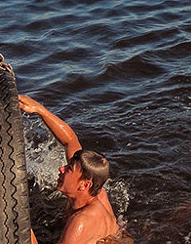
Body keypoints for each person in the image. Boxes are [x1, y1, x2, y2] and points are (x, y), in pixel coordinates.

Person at [18, 94, 122, 244]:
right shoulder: (91, 190)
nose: (61, 168)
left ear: (84, 185)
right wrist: (39, 110)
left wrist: (22, 222)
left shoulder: (82, 221)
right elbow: (69, 140)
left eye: (69, 169)